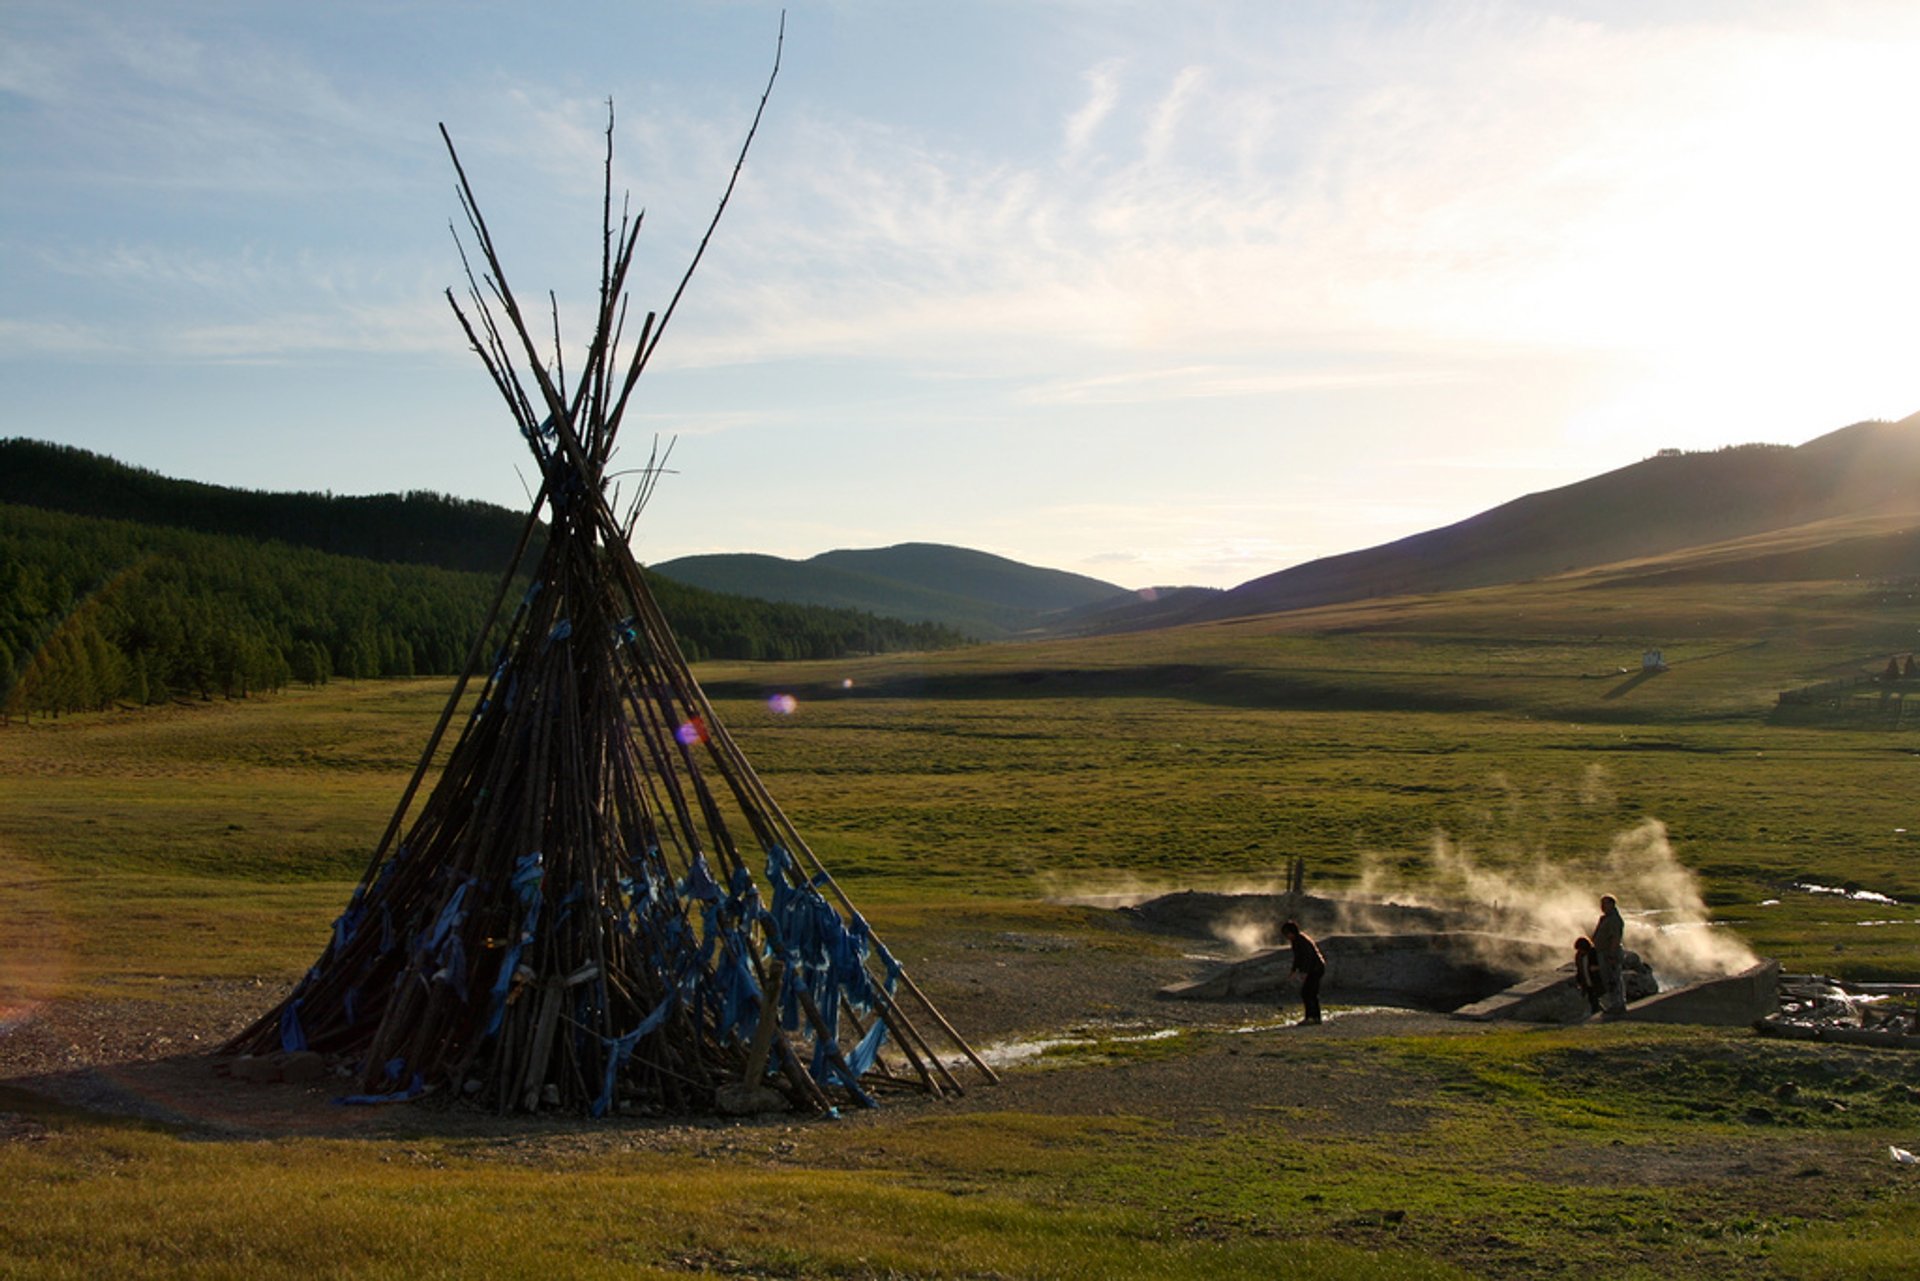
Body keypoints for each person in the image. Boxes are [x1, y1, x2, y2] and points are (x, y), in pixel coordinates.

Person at [1280, 919, 1326, 1025]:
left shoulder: (1301, 941)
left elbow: (1307, 958)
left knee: (1308, 993)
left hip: (1316, 969)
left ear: (1291, 932)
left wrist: (1304, 972)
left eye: (1287, 934)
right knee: (1309, 993)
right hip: (1314, 968)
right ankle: (1314, 1017)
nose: (1287, 937)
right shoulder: (1296, 941)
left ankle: (1312, 1017)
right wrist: (1293, 970)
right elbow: (1298, 958)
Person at [1592, 894, 1627, 1015]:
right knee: (1607, 979)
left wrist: (1612, 955)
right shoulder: (1605, 918)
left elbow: (1615, 938)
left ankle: (1617, 1004)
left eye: (1605, 904)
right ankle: (1614, 1004)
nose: (1602, 907)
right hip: (1603, 952)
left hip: (1610, 953)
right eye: (1601, 904)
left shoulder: (1614, 920)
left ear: (1612, 904)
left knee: (1613, 979)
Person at [1572, 936, 1602, 1015]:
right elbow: (1579, 969)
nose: (1580, 951)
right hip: (1587, 982)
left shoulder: (1594, 953)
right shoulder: (1578, 956)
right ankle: (1595, 1013)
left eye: (1580, 949)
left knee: (1599, 999)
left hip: (1596, 981)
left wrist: (1597, 968)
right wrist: (1579, 981)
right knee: (1592, 1000)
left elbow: (1601, 965)